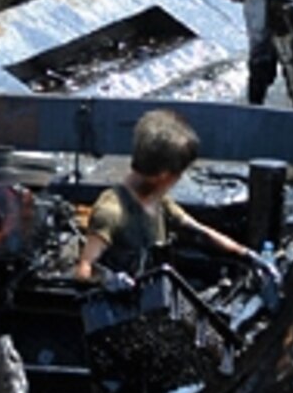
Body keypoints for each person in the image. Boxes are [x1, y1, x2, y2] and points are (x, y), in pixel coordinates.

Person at [74, 109, 258, 284]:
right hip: (124, 301)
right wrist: (109, 281)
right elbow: (84, 270)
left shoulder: (158, 200)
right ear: (164, 175)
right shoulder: (111, 212)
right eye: (178, 174)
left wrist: (246, 254)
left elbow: (200, 231)